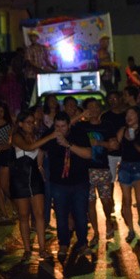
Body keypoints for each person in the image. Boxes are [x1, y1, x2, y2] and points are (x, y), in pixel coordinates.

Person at [42, 111, 93, 260]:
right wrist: (40, 166)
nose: (59, 129)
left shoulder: (79, 133)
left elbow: (88, 154)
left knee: (81, 215)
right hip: (59, 184)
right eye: (57, 126)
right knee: (61, 216)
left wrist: (68, 145)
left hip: (79, 183)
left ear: (69, 125)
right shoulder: (50, 135)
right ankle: (63, 244)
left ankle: (83, 243)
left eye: (63, 126)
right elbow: (39, 147)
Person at [10, 110, 58, 259]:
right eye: (28, 122)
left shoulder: (36, 136)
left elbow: (40, 152)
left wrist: (40, 165)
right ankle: (27, 249)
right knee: (24, 215)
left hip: (35, 179)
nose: (31, 125)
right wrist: (49, 136)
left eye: (33, 122)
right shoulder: (17, 137)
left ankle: (42, 248)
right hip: (20, 180)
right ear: (20, 124)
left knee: (39, 214)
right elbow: (29, 148)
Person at [79, 98, 116, 241]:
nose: (93, 109)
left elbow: (114, 145)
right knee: (90, 202)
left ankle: (108, 220)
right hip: (85, 170)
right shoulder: (81, 126)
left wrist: (99, 143)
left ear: (100, 109)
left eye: (96, 106)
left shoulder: (107, 125)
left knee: (106, 200)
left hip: (102, 168)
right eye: (90, 107)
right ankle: (95, 232)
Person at [116, 107, 140, 241]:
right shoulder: (122, 130)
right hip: (125, 167)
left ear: (137, 116)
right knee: (127, 200)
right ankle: (131, 230)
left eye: (132, 114)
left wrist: (135, 140)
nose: (128, 117)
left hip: (139, 167)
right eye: (127, 114)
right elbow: (117, 145)